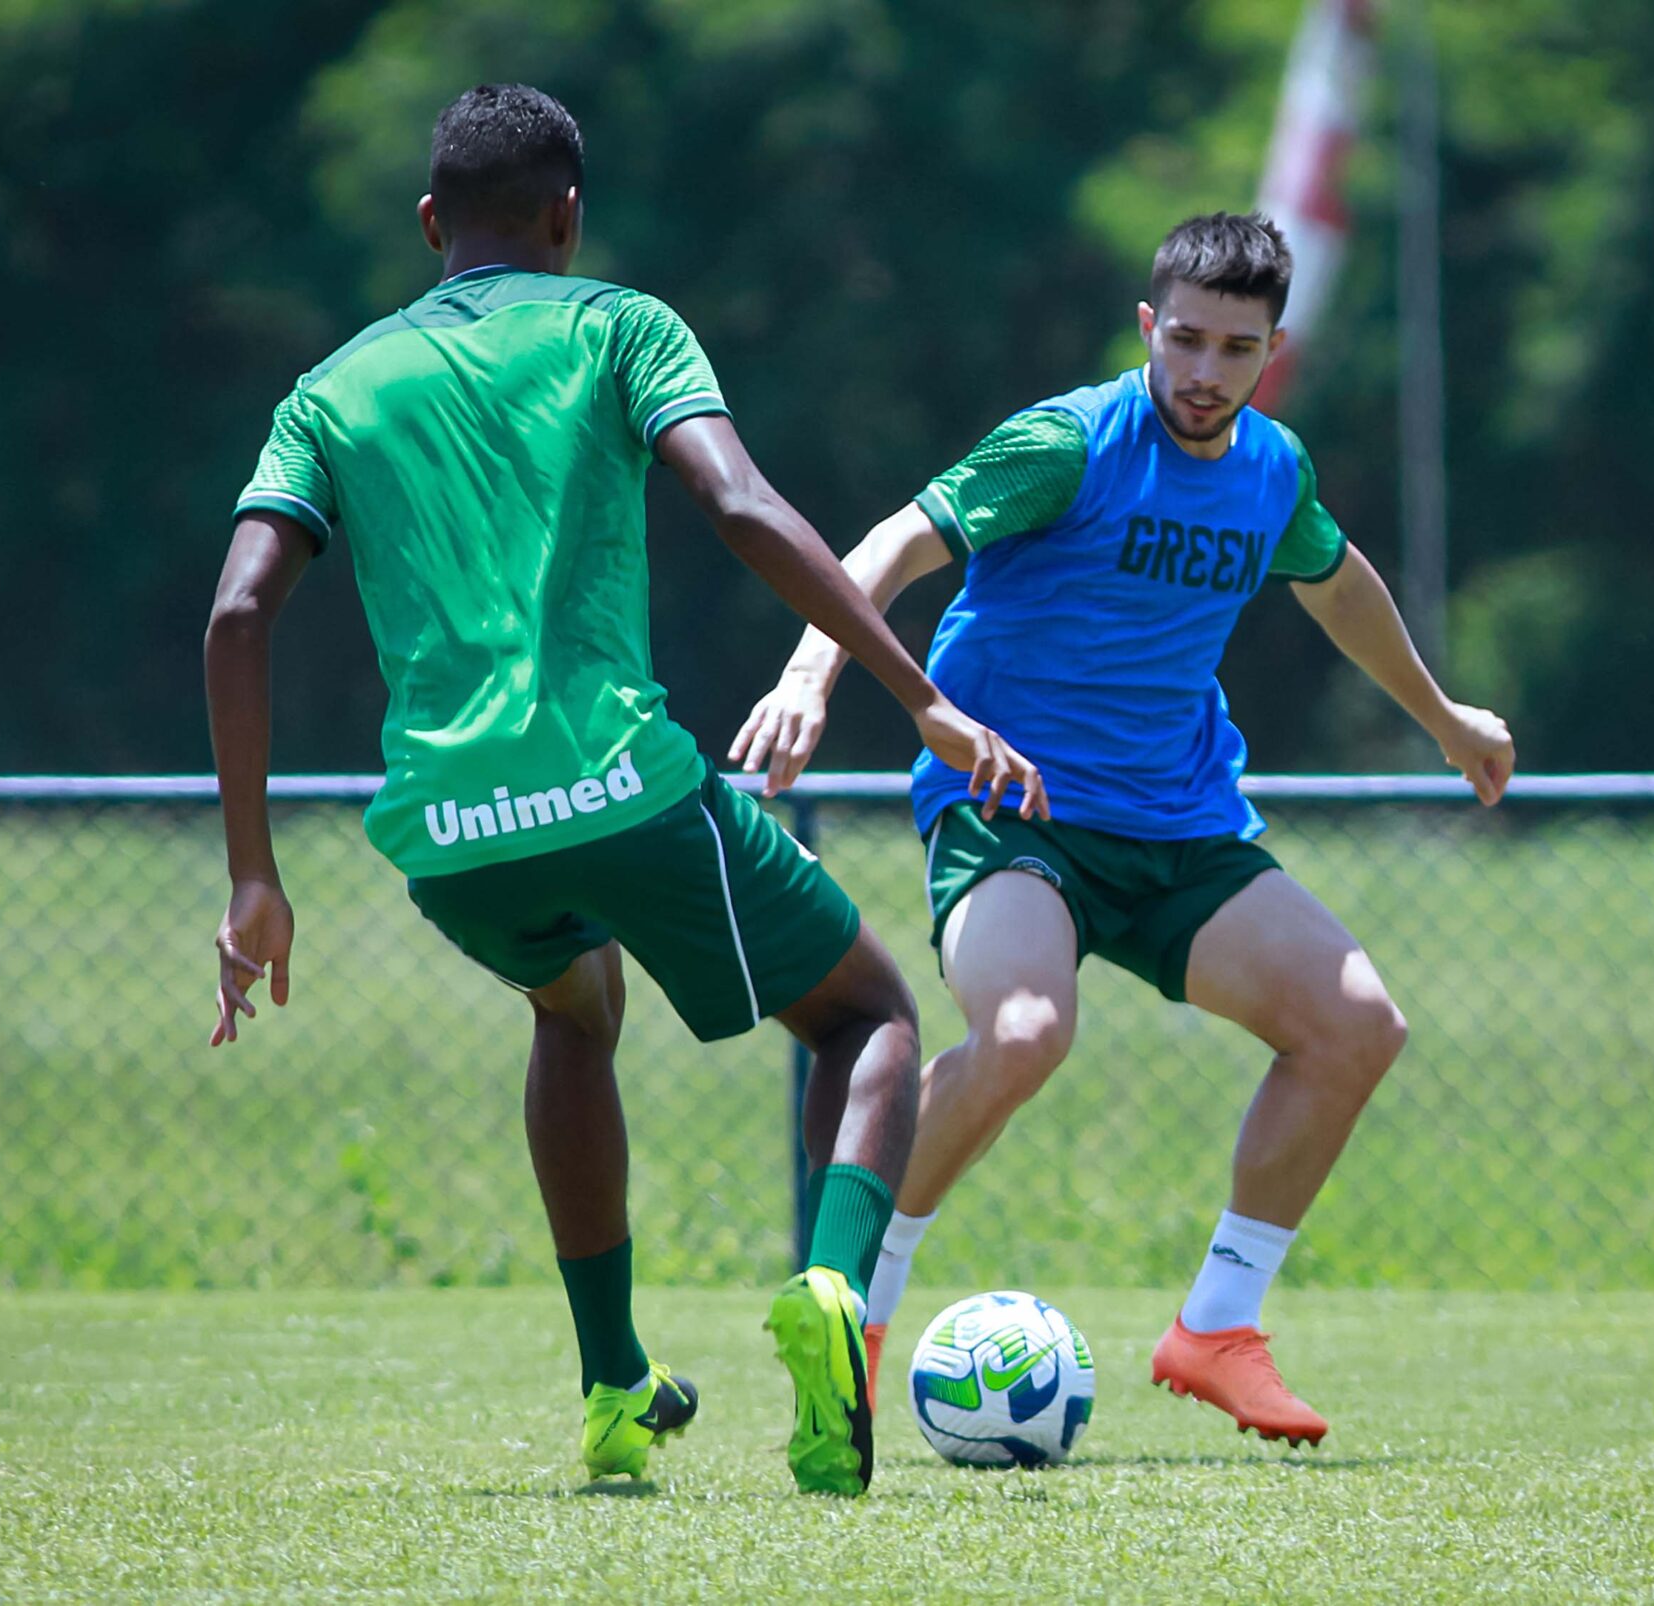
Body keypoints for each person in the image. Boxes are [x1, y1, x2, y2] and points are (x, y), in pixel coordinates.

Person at [201, 83, 1044, 1495]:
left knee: (573, 1006)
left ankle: (612, 1388)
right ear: (567, 217)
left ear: (427, 225)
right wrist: (920, 695)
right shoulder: (620, 325)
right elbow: (742, 506)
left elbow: (237, 612)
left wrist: (253, 874)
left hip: (452, 837)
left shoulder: (329, 391)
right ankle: (834, 1290)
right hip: (625, 791)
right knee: (869, 1015)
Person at [732, 211, 1513, 1447]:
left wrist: (1443, 714)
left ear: (1273, 353)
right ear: (1149, 328)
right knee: (1027, 1031)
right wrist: (808, 676)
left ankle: (1215, 1328)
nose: (1205, 373)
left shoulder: (1271, 470)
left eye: (1236, 350)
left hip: (1179, 824)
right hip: (1014, 812)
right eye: (1186, 340)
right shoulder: (1066, 444)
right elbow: (889, 545)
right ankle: (861, 1320)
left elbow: (1337, 579)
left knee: (1357, 1025)